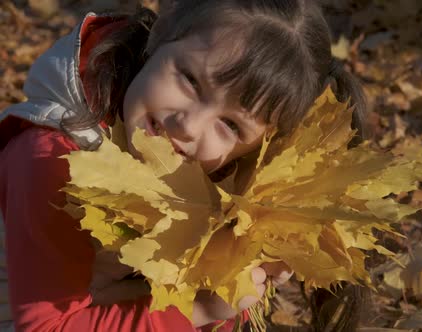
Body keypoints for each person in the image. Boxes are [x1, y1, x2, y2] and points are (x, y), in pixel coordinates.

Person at [0, 0, 368, 331]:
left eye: (231, 125)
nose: (188, 126)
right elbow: (46, 326)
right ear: (160, 37)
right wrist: (197, 308)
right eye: (190, 80)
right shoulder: (51, 159)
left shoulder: (224, 177)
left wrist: (236, 273)